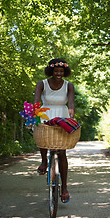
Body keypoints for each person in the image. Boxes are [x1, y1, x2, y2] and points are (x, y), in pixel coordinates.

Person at [33, 58, 75, 203]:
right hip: (45, 113)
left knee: (62, 152)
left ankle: (64, 188)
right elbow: (37, 101)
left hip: (61, 116)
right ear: (51, 71)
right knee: (42, 134)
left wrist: (71, 118)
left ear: (65, 72)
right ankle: (44, 161)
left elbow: (71, 103)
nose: (59, 73)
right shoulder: (42, 84)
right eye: (56, 71)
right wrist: (36, 113)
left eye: (61, 71)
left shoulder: (69, 86)